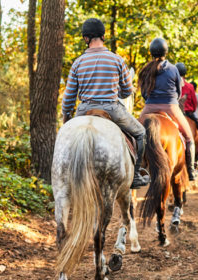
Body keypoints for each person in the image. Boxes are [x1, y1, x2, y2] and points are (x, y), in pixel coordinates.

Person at [61, 18, 150, 189]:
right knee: (140, 133)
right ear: (103, 36)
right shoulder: (117, 60)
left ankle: (65, 177)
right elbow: (127, 91)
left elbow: (69, 96)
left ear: (85, 38)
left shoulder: (78, 63)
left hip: (84, 109)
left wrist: (66, 116)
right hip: (111, 107)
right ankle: (136, 175)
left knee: (64, 137)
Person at [138, 38, 197, 181]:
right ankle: (191, 170)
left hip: (149, 107)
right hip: (171, 107)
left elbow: (143, 93)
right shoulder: (173, 69)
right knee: (189, 138)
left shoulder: (145, 69)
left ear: (151, 52)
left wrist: (151, 101)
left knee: (134, 136)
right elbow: (178, 91)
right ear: (166, 51)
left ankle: (136, 169)